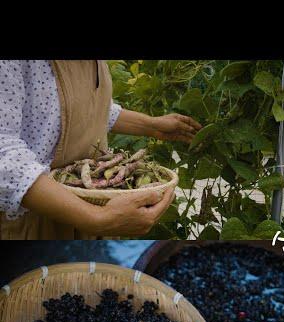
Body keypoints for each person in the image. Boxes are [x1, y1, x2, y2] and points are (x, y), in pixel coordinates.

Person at [0, 60, 202, 239]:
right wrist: (98, 218)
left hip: (91, 212)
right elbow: (3, 153)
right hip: (35, 225)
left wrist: (153, 126)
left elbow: (89, 109)